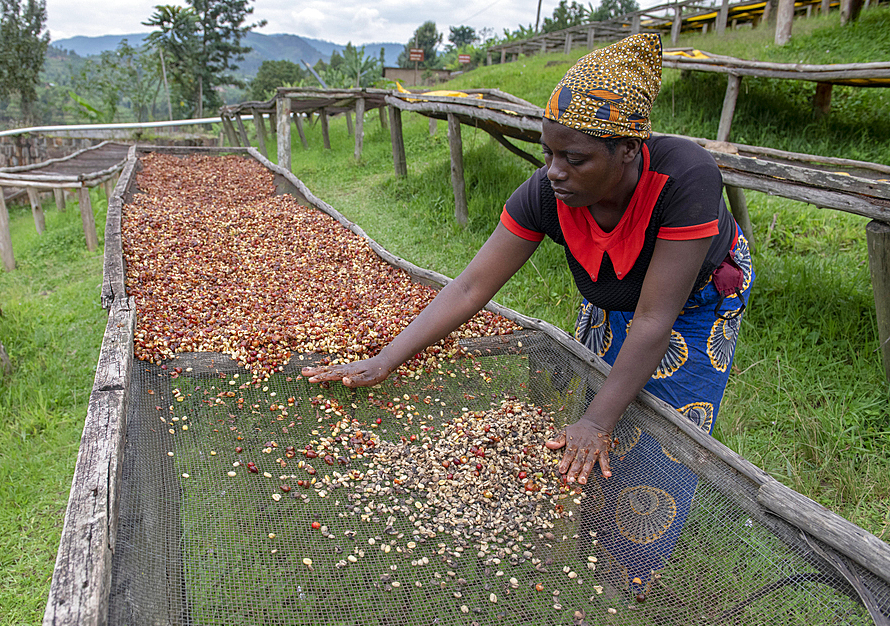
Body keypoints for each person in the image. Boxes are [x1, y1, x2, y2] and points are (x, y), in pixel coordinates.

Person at [303, 33, 754, 591]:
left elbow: (656, 322)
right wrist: (385, 360)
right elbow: (470, 288)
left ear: (629, 150)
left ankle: (621, 579)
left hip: (691, 306)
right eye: (548, 153)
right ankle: (588, 538)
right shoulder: (547, 194)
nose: (555, 170)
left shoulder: (683, 178)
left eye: (575, 157)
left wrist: (595, 424)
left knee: (655, 426)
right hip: (614, 294)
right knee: (601, 395)